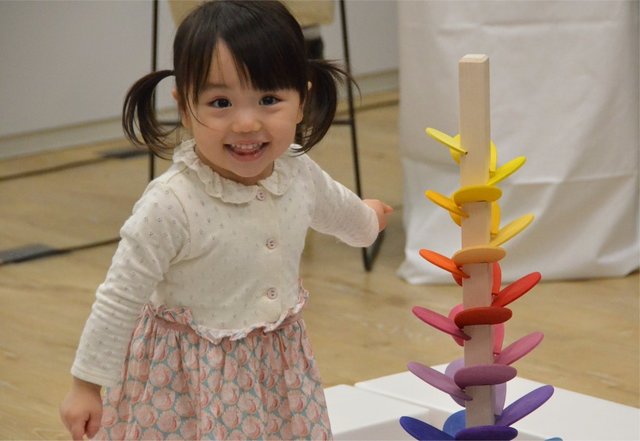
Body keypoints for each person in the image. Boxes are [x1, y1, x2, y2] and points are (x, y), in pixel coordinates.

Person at [59, 1, 392, 439]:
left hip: (277, 370)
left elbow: (342, 212)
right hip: (183, 381)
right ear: (184, 107)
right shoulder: (171, 203)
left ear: (302, 101)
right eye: (220, 102)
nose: (246, 123)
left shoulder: (297, 172)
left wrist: (370, 219)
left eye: (269, 100)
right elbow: (120, 296)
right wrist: (86, 386)